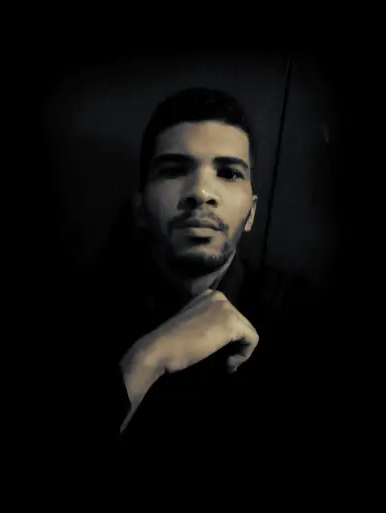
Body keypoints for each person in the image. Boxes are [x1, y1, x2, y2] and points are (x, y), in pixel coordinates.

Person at [60, 87, 333, 496]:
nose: (201, 193)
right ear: (140, 209)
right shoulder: (78, 312)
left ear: (252, 213)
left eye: (229, 173)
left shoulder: (307, 319)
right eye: (174, 169)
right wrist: (149, 357)